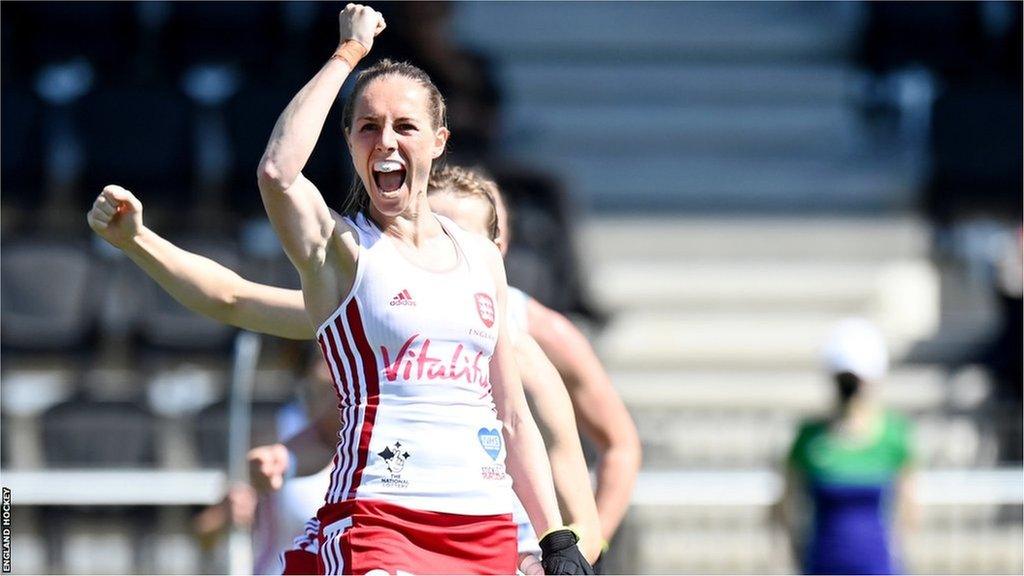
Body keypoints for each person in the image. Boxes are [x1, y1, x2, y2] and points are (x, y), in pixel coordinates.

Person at [87, 166, 607, 572]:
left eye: (455, 234)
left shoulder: (530, 365)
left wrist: (559, 555)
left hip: (502, 559)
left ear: (496, 249)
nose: (432, 245)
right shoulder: (376, 322)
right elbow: (234, 298)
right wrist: (139, 241)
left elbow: (581, 513)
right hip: (399, 546)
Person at [264, 4, 583, 573]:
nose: (385, 141)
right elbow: (278, 173)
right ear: (350, 142)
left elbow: (512, 416)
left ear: (438, 142)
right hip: (380, 519)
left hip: (482, 526)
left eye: (404, 126)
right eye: (368, 126)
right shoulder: (342, 249)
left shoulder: (481, 256)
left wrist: (555, 537)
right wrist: (348, 54)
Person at [776, 318, 918, 575]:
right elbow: (785, 504)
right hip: (822, 563)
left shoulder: (893, 436)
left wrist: (898, 554)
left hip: (878, 565)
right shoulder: (810, 438)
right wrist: (796, 553)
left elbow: (908, 508)